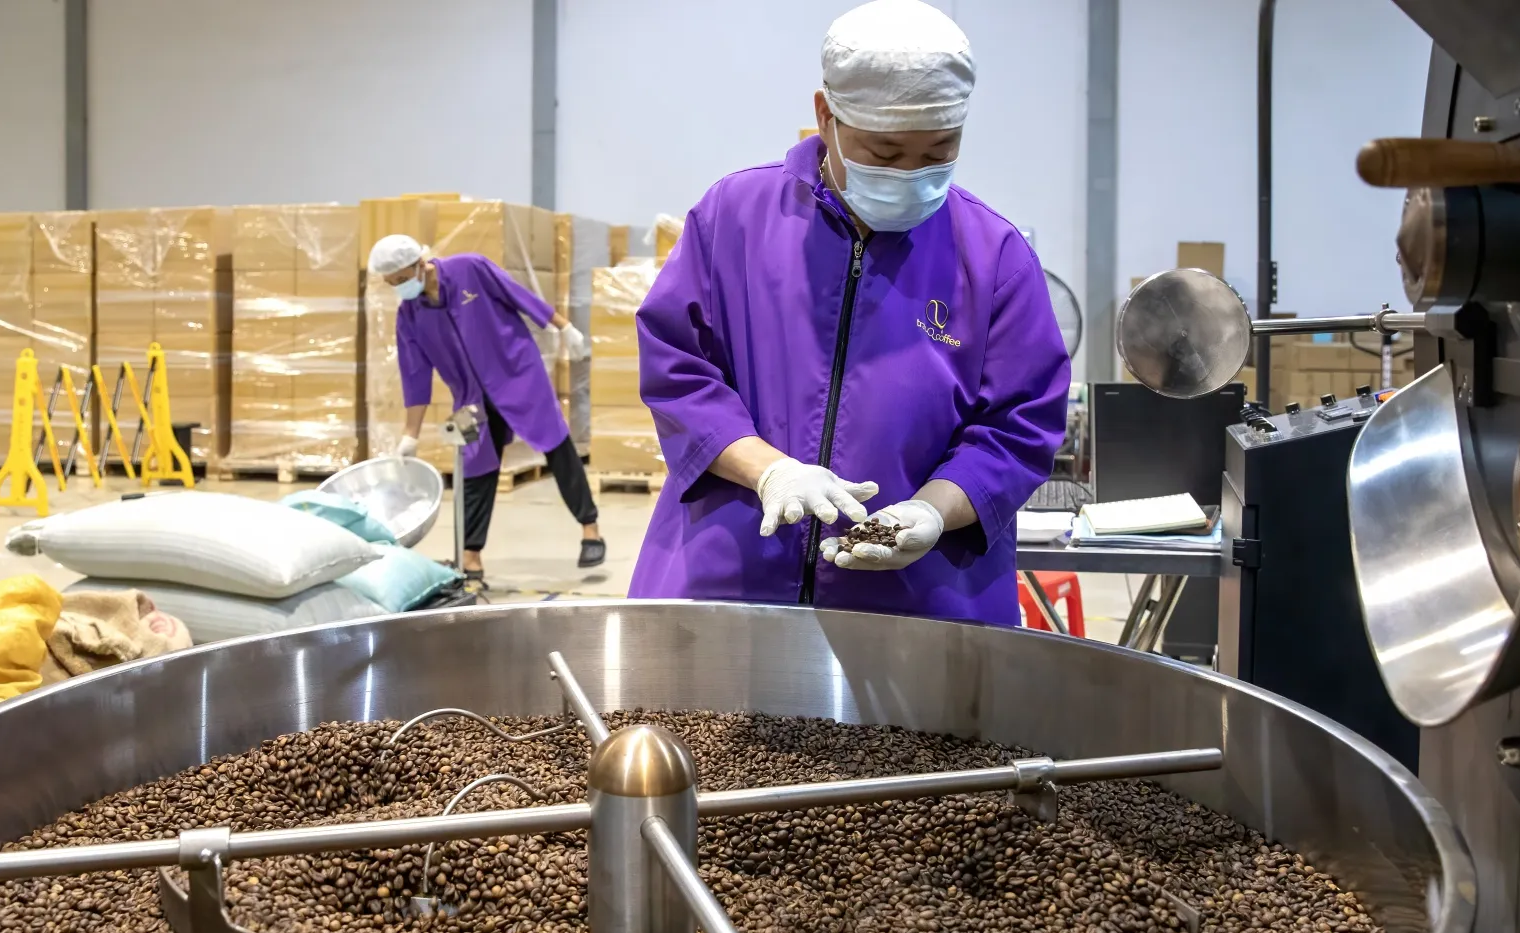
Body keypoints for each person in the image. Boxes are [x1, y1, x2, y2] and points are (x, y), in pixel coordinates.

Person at [628, 0, 1068, 622]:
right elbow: (677, 368)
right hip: (727, 580)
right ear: (825, 117)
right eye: (885, 155)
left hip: (918, 601)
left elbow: (1019, 427)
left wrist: (931, 514)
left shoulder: (994, 257)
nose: (913, 175)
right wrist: (771, 471)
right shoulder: (736, 218)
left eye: (939, 152)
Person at [367, 235, 606, 577]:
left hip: (517, 373)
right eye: (392, 285)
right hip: (471, 394)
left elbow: (517, 295)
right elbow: (415, 375)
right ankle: (471, 555)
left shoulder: (470, 269)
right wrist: (411, 434)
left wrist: (563, 327)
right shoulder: (410, 315)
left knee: (555, 444)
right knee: (476, 464)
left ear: (420, 263)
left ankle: (590, 530)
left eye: (402, 280)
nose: (400, 289)